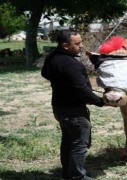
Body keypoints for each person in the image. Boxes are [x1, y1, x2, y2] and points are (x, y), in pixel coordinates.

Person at [41, 29, 105, 179]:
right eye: (77, 43)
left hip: (59, 108)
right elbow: (82, 91)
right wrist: (101, 102)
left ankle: (67, 173)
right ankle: (77, 176)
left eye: (81, 42)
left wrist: (61, 82)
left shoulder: (52, 57)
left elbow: (44, 73)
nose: (81, 46)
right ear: (65, 45)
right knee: (79, 144)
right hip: (74, 111)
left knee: (68, 141)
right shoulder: (72, 65)